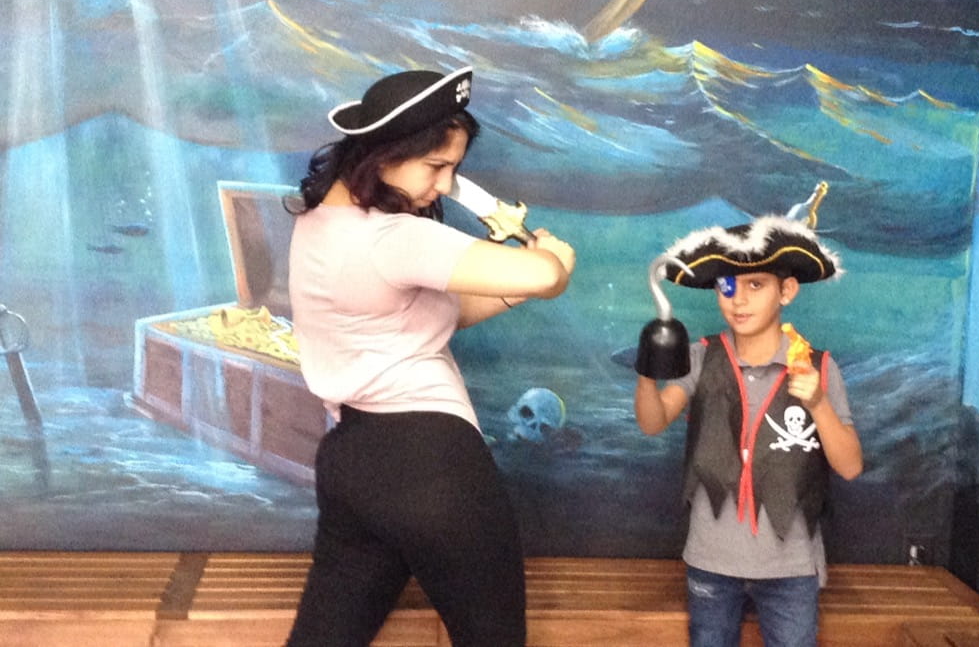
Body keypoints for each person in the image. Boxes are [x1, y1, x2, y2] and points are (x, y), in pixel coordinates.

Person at [284, 66, 576, 647]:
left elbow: (432, 317)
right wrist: (553, 259)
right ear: (385, 153)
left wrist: (517, 288)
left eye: (453, 171)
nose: (444, 186)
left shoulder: (318, 226)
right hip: (434, 467)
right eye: (435, 166)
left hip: (350, 464)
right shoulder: (397, 238)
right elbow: (545, 275)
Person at [634, 213, 863, 647]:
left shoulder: (818, 367)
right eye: (727, 285)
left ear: (787, 291)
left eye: (755, 284)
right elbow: (653, 421)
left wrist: (817, 403)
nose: (737, 299)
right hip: (711, 562)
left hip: (790, 568)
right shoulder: (701, 357)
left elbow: (850, 466)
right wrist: (648, 371)